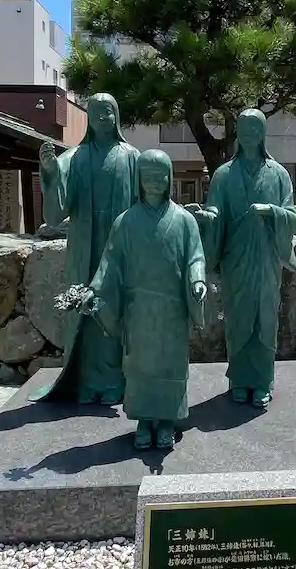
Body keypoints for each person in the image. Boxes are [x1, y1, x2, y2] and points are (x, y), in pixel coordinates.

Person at [82, 150, 206, 450]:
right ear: (139, 180)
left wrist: (197, 280)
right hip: (138, 311)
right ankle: (143, 419)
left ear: (169, 178)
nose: (154, 181)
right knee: (140, 365)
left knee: (170, 365)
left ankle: (167, 420)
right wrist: (95, 290)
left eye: (159, 175)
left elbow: (195, 256)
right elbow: (110, 262)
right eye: (147, 176)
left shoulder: (185, 221)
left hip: (171, 310)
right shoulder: (125, 222)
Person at [31, 94, 140, 406]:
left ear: (117, 116)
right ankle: (87, 381)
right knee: (85, 311)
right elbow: (57, 207)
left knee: (114, 309)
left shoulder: (131, 157)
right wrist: (50, 171)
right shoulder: (76, 157)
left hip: (119, 245)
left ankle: (115, 380)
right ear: (88, 118)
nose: (103, 117)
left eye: (108, 111)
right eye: (96, 112)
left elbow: (148, 199)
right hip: (85, 245)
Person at [188, 110, 296, 408]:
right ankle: (239, 380)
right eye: (245, 128)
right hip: (236, 257)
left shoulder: (279, 174)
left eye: (255, 128)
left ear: (263, 133)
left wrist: (270, 211)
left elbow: (291, 215)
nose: (250, 134)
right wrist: (206, 217)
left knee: (265, 317)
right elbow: (215, 210)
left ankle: (262, 381)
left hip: (265, 258)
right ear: (238, 132)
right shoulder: (224, 174)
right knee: (237, 318)